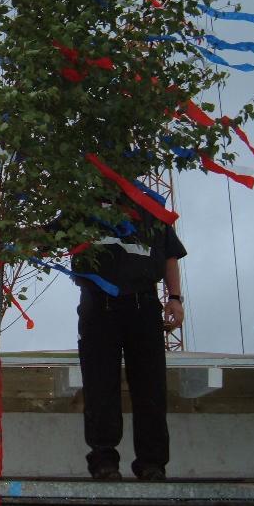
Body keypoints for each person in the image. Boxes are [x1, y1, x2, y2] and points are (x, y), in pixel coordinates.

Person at [72, 202, 186, 481]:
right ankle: (103, 460)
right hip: (98, 306)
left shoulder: (150, 211)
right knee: (100, 385)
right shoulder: (83, 206)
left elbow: (170, 255)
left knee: (151, 386)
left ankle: (152, 463)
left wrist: (174, 298)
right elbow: (47, 237)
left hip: (143, 303)